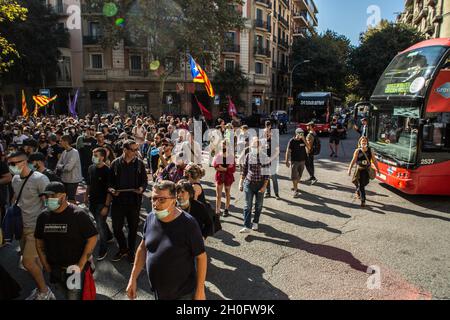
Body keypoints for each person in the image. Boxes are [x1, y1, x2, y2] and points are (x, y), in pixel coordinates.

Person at [126, 181, 207, 300]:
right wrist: (132, 279)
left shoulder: (189, 224)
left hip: (182, 294)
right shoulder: (150, 218)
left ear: (174, 200)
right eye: (153, 198)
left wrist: (200, 291)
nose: (155, 204)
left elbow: (201, 257)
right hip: (159, 292)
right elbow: (143, 248)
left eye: (162, 199)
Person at [35, 182, 98, 300]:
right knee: (64, 294)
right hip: (54, 269)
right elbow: (39, 243)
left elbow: (92, 238)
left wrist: (80, 265)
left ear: (63, 196)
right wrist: (46, 265)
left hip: (73, 270)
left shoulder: (78, 214)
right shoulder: (43, 217)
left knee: (73, 297)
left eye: (52, 196)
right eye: (47, 197)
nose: (49, 200)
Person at [8, 151, 54, 300]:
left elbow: (49, 204)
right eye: (10, 164)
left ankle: (45, 291)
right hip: (22, 226)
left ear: (24, 162)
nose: (11, 167)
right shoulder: (15, 179)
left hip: (36, 227)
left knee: (27, 262)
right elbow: (16, 197)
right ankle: (40, 287)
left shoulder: (40, 179)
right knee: (34, 262)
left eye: (14, 163)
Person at [109, 140, 148, 263]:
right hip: (118, 202)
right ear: (124, 150)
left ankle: (131, 251)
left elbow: (144, 181)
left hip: (134, 202)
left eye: (137, 149)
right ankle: (122, 248)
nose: (137, 152)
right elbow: (109, 182)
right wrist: (112, 190)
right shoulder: (115, 163)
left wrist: (141, 188)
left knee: (133, 229)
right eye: (134, 150)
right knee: (116, 228)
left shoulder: (139, 164)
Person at [85, 148, 114, 261]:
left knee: (100, 226)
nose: (93, 157)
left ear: (102, 157)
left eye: (96, 155)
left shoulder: (107, 171)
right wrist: (86, 196)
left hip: (102, 203)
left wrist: (106, 206)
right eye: (93, 154)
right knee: (99, 221)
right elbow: (89, 183)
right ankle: (110, 236)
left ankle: (103, 249)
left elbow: (109, 190)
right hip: (92, 201)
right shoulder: (91, 168)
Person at [238, 137, 270, 233]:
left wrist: (264, 186)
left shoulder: (264, 157)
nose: (253, 148)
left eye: (255, 146)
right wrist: (240, 182)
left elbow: (267, 175)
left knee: (259, 205)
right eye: (252, 146)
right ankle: (246, 226)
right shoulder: (248, 156)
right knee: (247, 205)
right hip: (249, 183)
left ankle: (255, 221)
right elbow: (244, 171)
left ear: (260, 147)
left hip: (260, 184)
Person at [348, 136, 380, 207]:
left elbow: (374, 160)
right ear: (360, 142)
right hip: (359, 170)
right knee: (361, 185)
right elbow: (353, 160)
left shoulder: (370, 150)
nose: (364, 142)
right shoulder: (357, 151)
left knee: (365, 183)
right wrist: (349, 169)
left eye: (365, 141)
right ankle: (363, 201)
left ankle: (358, 191)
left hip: (367, 170)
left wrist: (378, 169)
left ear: (367, 142)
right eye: (362, 141)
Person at [56, 135, 83, 204]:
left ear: (66, 142)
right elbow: (57, 165)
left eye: (61, 141)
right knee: (64, 198)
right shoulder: (64, 152)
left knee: (71, 199)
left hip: (73, 180)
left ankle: (74, 213)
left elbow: (69, 168)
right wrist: (63, 166)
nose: (60, 142)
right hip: (64, 179)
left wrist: (61, 166)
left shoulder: (74, 152)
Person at [212, 141, 235, 217]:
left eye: (224, 146)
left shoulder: (230, 156)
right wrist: (226, 168)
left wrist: (224, 169)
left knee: (227, 193)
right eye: (222, 146)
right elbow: (216, 166)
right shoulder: (218, 156)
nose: (223, 147)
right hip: (219, 177)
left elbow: (233, 169)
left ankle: (226, 209)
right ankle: (217, 210)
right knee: (218, 195)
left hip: (228, 177)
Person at [286, 128, 307, 198]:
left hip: (302, 161)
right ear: (296, 133)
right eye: (300, 133)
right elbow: (288, 151)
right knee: (294, 176)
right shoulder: (292, 141)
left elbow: (309, 148)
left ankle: (295, 185)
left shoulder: (303, 140)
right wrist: (286, 161)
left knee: (299, 176)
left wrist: (304, 140)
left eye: (302, 133)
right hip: (294, 161)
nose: (301, 135)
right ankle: (295, 190)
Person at [263, 121, 280, 199]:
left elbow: (277, 151)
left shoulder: (274, 140)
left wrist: (271, 159)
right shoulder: (262, 142)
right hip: (265, 161)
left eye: (267, 133)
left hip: (273, 160)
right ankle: (268, 192)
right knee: (266, 178)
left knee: (274, 178)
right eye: (265, 133)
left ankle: (276, 194)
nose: (266, 134)